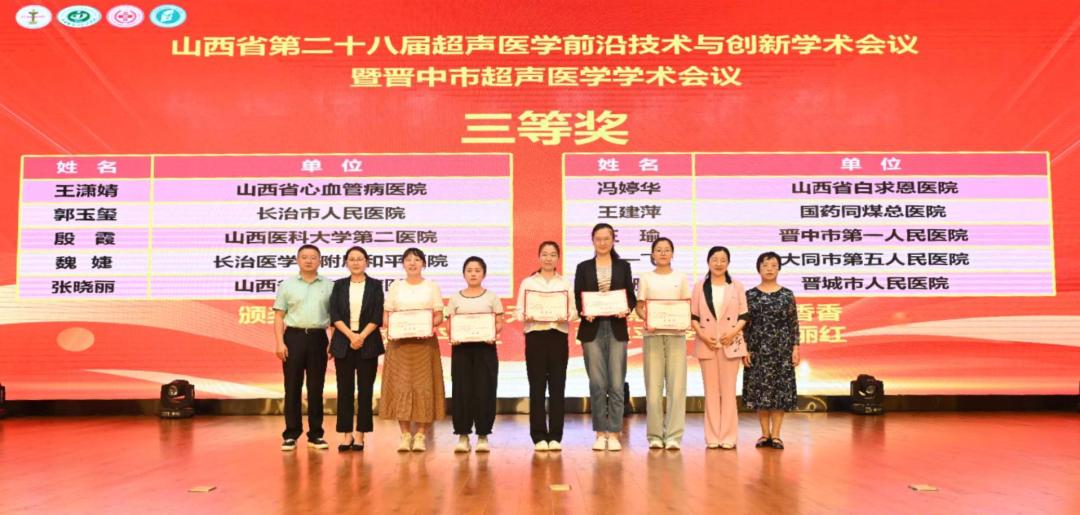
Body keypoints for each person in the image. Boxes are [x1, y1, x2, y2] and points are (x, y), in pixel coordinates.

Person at [574, 223, 636, 452]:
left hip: (617, 327)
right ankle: (600, 433)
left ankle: (615, 433)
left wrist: (625, 309)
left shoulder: (623, 266)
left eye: (606, 238)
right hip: (592, 329)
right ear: (593, 240)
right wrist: (585, 311)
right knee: (598, 383)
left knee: (617, 383)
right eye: (598, 239)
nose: (602, 242)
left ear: (613, 240)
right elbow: (578, 297)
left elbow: (630, 296)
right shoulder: (583, 267)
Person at [381, 248, 446, 452]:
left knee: (423, 386)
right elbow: (386, 315)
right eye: (408, 259)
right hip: (399, 344)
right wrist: (396, 327)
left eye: (417, 260)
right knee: (401, 386)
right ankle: (405, 435)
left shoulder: (431, 286)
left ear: (423, 263)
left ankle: (420, 435)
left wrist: (425, 326)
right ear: (403, 264)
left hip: (424, 344)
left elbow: (439, 315)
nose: (412, 263)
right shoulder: (396, 286)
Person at [514, 241, 576, 452]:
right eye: (545, 254)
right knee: (537, 387)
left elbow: (574, 312)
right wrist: (527, 315)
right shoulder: (528, 282)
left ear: (558, 258)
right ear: (539, 257)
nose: (548, 258)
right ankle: (539, 436)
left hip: (558, 336)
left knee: (558, 387)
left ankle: (556, 436)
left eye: (553, 254)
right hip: (535, 337)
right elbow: (519, 311)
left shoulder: (565, 283)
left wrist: (566, 316)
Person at [273, 244, 335, 451]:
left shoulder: (329, 285)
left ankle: (316, 434)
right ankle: (291, 434)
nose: (309, 260)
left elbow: (335, 318)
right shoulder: (287, 285)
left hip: (318, 338)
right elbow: (279, 316)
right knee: (292, 387)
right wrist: (280, 342)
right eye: (305, 257)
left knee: (316, 388)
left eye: (313, 257)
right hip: (293, 337)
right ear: (297, 260)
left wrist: (333, 342)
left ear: (320, 261)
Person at [690, 246, 749, 450]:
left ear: (728, 263)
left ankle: (729, 436)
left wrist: (732, 333)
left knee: (729, 392)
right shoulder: (699, 287)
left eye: (723, 260)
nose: (718, 263)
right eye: (714, 259)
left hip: (730, 343)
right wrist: (703, 336)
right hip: (707, 343)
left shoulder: (737, 286)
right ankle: (712, 436)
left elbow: (744, 315)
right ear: (708, 262)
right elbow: (694, 316)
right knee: (711, 392)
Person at [634, 237, 690, 450]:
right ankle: (655, 435)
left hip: (676, 336)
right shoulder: (646, 278)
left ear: (672, 253)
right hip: (653, 335)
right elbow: (640, 306)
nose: (663, 253)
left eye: (667, 250)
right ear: (652, 254)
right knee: (654, 387)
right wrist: (648, 320)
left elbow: (686, 305)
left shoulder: (681, 278)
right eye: (658, 250)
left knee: (677, 387)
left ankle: (674, 436)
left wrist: (682, 321)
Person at [445, 256, 504, 453]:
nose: (473, 274)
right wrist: (454, 335)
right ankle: (463, 435)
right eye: (469, 270)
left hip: (485, 349)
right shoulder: (455, 297)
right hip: (461, 349)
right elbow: (449, 324)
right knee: (462, 391)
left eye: (477, 270)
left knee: (484, 390)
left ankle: (483, 435)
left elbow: (499, 323)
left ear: (484, 274)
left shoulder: (492, 297)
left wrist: (492, 333)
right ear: (463, 274)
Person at [742, 251, 801, 450]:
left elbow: (793, 323)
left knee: (779, 392)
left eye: (774, 265)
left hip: (782, 349)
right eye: (765, 265)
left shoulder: (787, 295)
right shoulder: (750, 295)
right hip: (758, 349)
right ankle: (764, 434)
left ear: (779, 269)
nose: (769, 269)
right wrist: (745, 349)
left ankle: (776, 435)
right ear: (758, 268)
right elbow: (744, 325)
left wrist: (795, 348)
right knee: (761, 392)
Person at [328, 246, 384, 452]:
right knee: (344, 390)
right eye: (351, 259)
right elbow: (334, 314)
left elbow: (377, 315)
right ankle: (346, 434)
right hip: (343, 342)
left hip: (368, 342)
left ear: (367, 262)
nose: (356, 262)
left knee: (365, 391)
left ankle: (360, 434)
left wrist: (361, 336)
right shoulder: (339, 285)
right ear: (346, 263)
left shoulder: (375, 285)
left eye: (360, 259)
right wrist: (351, 335)